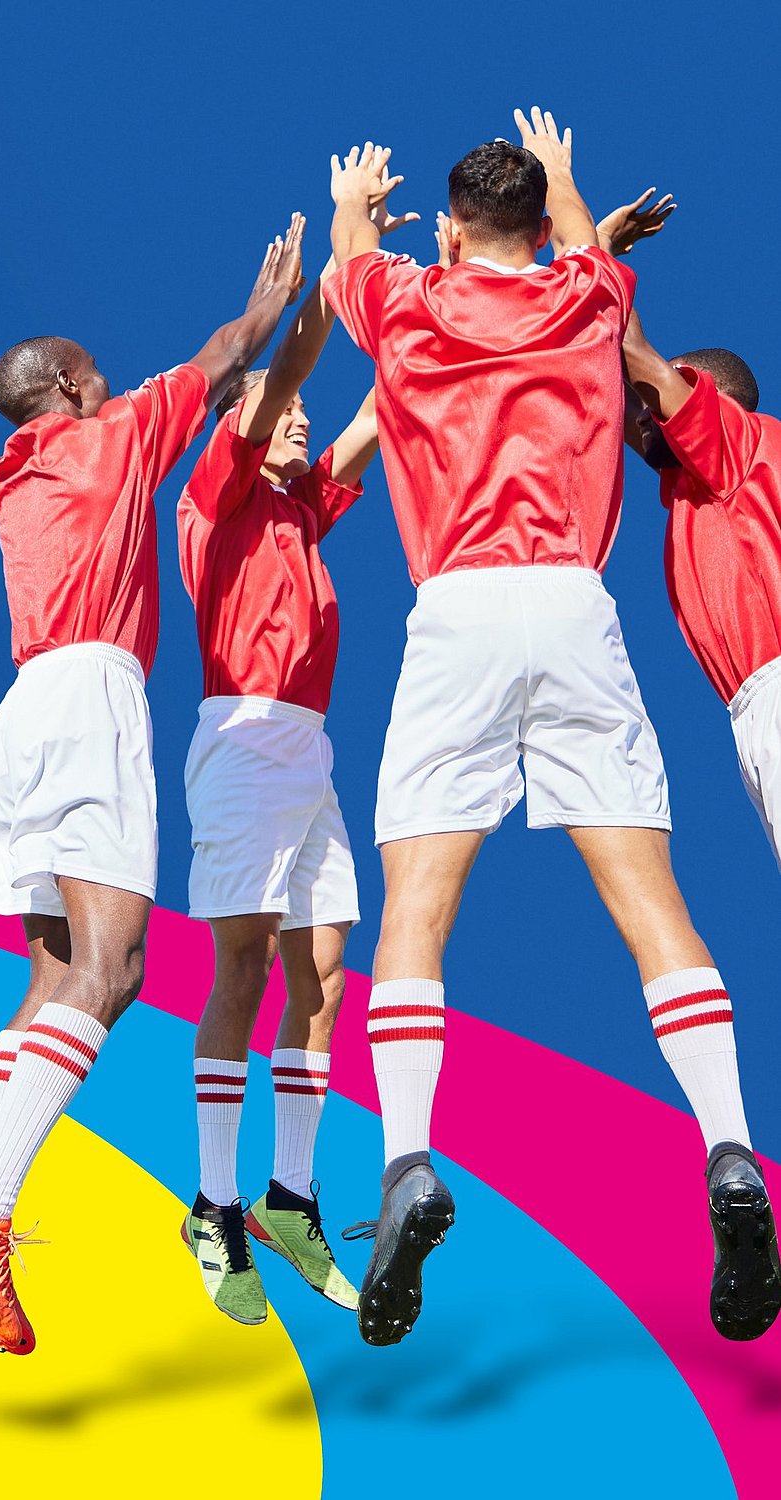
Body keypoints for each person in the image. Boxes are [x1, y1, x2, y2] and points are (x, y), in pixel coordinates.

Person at [323, 117, 781, 1347]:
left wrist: (355, 195)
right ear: (540, 227)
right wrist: (572, 186)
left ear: (455, 230)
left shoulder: (403, 305)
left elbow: (351, 249)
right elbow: (584, 251)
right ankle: (729, 1147)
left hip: (455, 610)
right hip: (575, 609)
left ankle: (409, 1160)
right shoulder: (587, 295)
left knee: (415, 904)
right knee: (651, 903)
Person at [0, 217, 306, 1356]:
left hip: (18, 720)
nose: (113, 379)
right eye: (97, 372)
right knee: (113, 972)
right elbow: (219, 362)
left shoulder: (14, 474)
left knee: (52, 981)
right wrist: (269, 305)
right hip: (89, 708)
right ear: (68, 385)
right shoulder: (106, 438)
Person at [176, 201, 416, 1326]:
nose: (298, 421)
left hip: (308, 754)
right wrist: (340, 257)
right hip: (240, 738)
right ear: (241, 422)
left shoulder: (300, 509)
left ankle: (287, 1194)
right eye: (281, 414)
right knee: (242, 968)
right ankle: (212, 1203)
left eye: (297, 416)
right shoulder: (216, 494)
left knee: (322, 970)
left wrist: (434, 290)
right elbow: (295, 369)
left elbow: (373, 416)